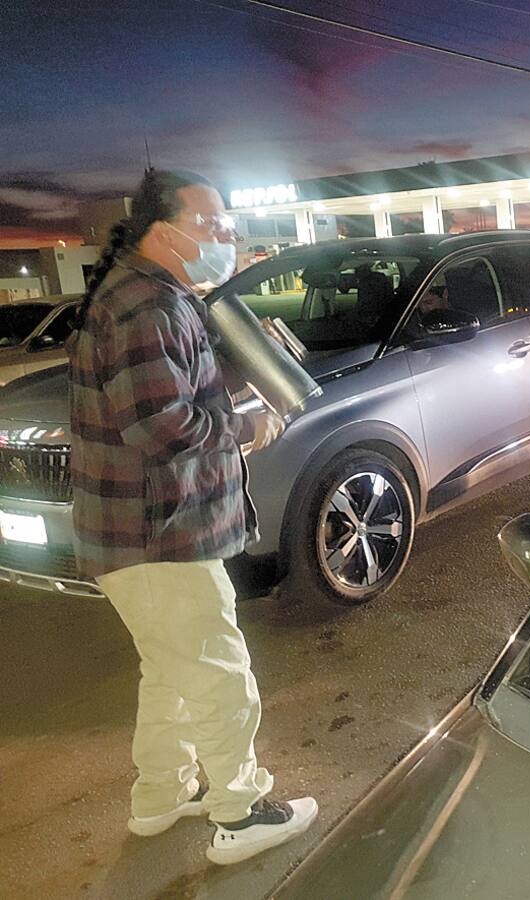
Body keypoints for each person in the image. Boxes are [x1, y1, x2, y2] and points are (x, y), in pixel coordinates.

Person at [67, 169, 317, 866]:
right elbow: (160, 425)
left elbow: (167, 395)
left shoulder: (149, 294)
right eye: (212, 225)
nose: (226, 237)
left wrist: (244, 374)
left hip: (137, 533)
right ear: (165, 230)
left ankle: (161, 795)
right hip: (159, 534)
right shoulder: (148, 306)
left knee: (170, 670)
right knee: (215, 669)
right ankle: (241, 812)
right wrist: (245, 425)